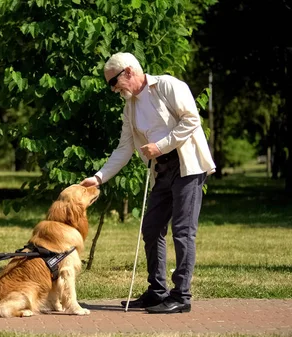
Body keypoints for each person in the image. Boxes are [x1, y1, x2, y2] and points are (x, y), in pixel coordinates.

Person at [80, 52, 216, 314]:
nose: (113, 88)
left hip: (187, 166)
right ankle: (157, 291)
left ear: (128, 72)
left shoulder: (168, 86)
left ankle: (182, 296)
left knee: (183, 231)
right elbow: (124, 148)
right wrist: (97, 177)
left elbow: (191, 120)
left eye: (113, 82)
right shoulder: (129, 107)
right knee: (151, 228)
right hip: (161, 171)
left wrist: (161, 146)